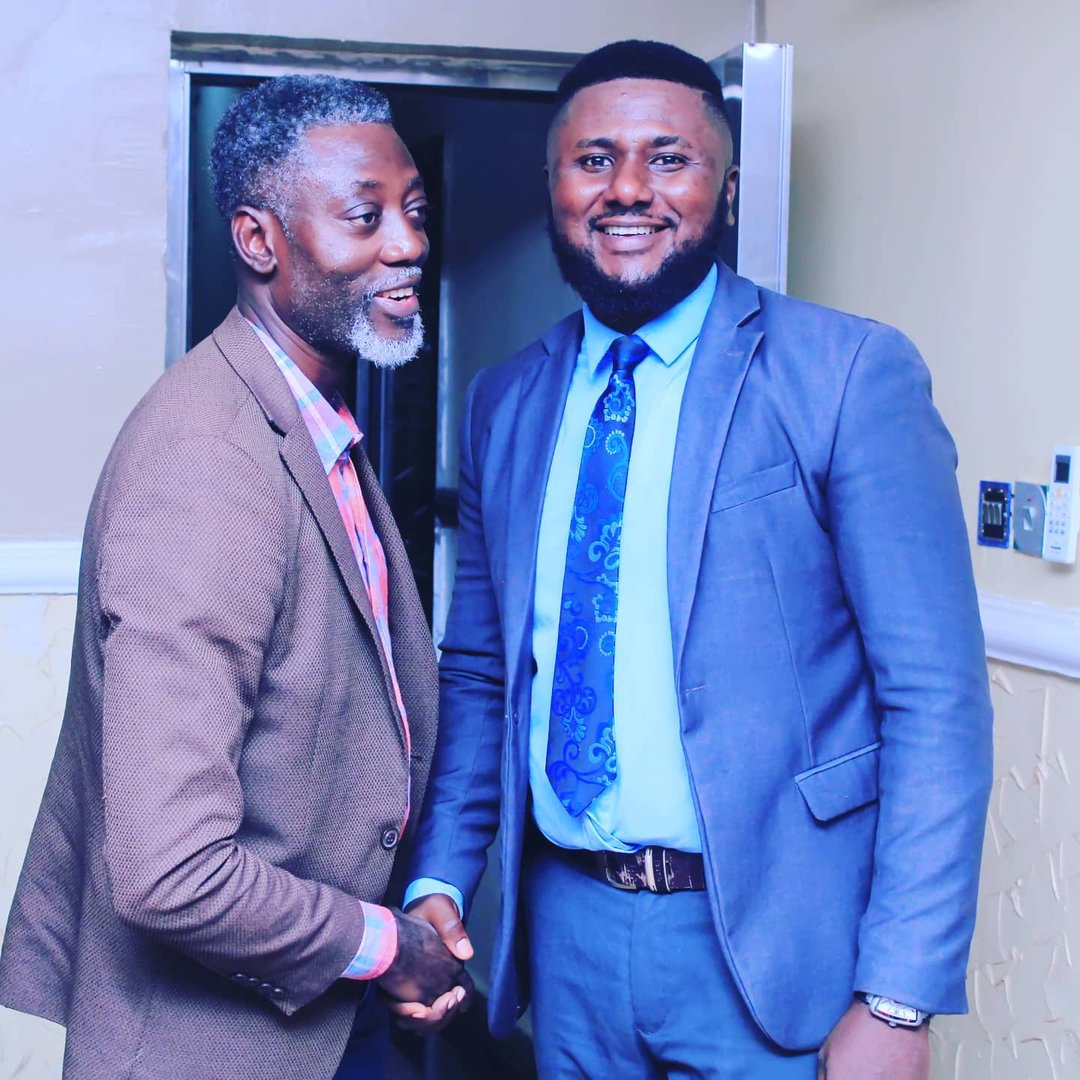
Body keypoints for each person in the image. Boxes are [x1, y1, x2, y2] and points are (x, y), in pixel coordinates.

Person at [400, 40, 993, 1079]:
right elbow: (484, 674)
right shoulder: (505, 400)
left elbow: (935, 700)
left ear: (723, 189)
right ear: (553, 186)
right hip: (565, 940)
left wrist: (898, 999)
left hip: (773, 950)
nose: (627, 188)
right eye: (593, 161)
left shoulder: (847, 374)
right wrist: (438, 878)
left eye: (667, 158)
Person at [0, 75, 468, 1079]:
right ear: (259, 241)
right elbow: (172, 870)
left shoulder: (314, 428)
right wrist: (387, 947)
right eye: (365, 216)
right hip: (208, 1047)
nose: (408, 244)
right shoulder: (205, 461)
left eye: (414, 211)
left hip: (321, 1028)